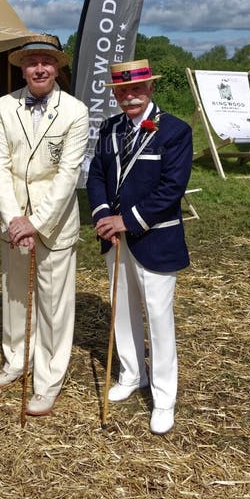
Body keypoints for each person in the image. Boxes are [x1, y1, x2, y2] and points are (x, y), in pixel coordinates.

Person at [86, 59, 192, 435]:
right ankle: (133, 373)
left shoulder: (175, 131)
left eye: (136, 89)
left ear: (150, 89)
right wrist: (102, 215)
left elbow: (171, 189)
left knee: (159, 319)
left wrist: (126, 220)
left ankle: (164, 399)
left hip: (155, 236)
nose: (129, 96)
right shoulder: (110, 127)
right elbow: (97, 173)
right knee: (122, 309)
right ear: (115, 94)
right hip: (113, 237)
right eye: (122, 90)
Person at [0, 36, 88, 417]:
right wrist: (15, 218)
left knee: (53, 303)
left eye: (46, 62)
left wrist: (36, 221)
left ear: (57, 67)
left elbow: (68, 174)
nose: (40, 69)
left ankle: (47, 380)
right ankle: (16, 360)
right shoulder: (3, 106)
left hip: (55, 222)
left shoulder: (75, 111)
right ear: (22, 67)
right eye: (32, 63)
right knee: (14, 293)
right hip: (12, 218)